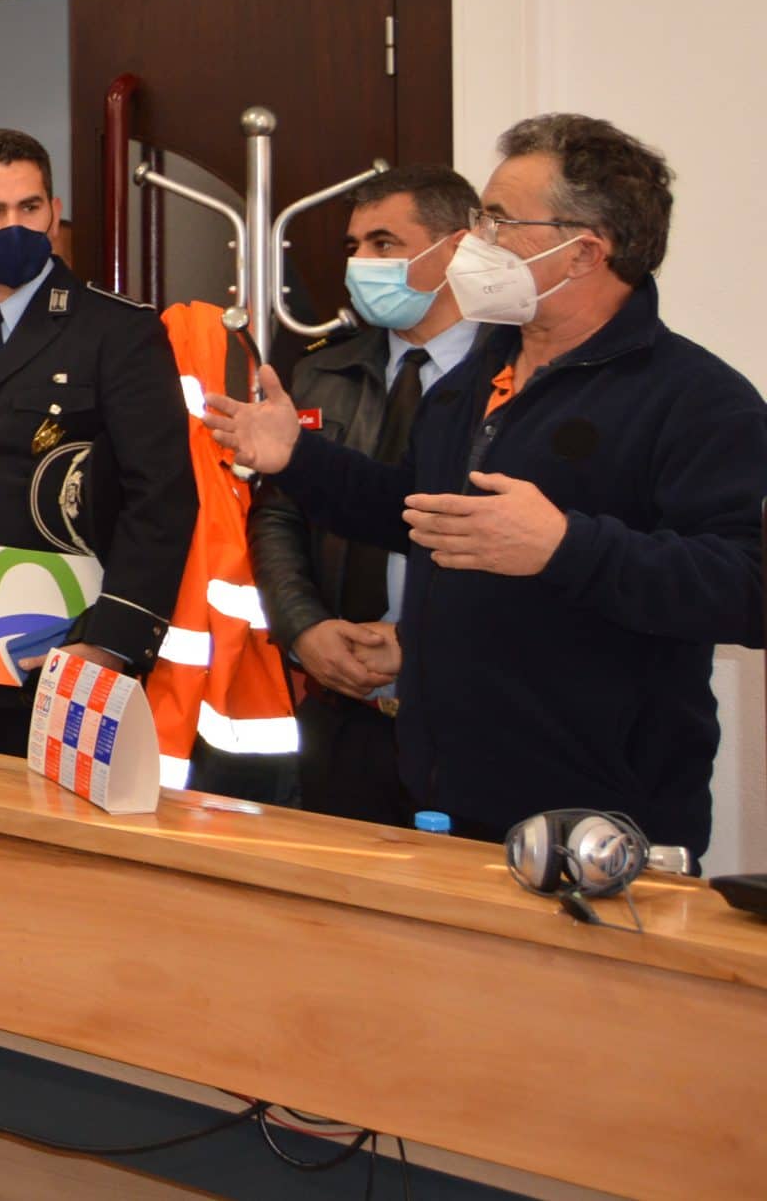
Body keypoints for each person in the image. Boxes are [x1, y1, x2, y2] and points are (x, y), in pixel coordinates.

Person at [210, 116, 767, 858]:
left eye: (499, 221)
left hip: (596, 822)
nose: (476, 242)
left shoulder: (697, 399)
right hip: (441, 800)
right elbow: (419, 512)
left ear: (585, 251)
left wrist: (564, 546)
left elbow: (747, 586)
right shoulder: (479, 377)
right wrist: (298, 459)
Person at [0, 127, 194, 750]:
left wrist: (110, 640)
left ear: (53, 210)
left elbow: (161, 499)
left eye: (29, 207)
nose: (14, 226)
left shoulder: (118, 330)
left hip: (71, 649)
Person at [244, 165, 478, 826]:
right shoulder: (324, 370)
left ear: (456, 250)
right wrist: (304, 629)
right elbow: (279, 516)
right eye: (354, 246)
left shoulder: (513, 377)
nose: (361, 264)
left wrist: (422, 641)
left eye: (384, 244)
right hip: (342, 715)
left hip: (465, 719)